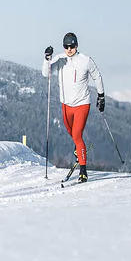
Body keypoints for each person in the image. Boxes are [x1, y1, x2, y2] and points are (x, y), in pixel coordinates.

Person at [43, 32, 105, 183]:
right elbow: (46, 73)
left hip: (82, 103)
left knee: (77, 135)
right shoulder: (60, 59)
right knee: (71, 132)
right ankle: (79, 149)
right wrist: (47, 59)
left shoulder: (86, 61)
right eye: (66, 46)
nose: (69, 49)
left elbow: (97, 76)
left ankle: (83, 171)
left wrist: (101, 95)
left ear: (77, 45)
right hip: (66, 104)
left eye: (72, 46)